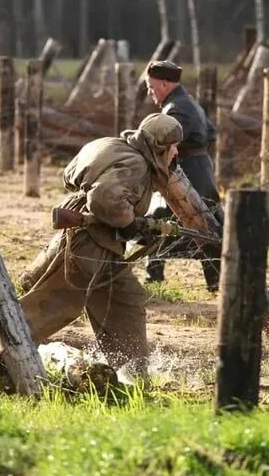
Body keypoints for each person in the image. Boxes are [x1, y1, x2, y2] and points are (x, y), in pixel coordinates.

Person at [16, 113, 184, 377]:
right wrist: (129, 225)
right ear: (159, 146)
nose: (176, 151)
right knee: (58, 302)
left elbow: (73, 176)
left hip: (100, 244)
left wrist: (139, 226)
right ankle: (6, 349)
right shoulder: (136, 164)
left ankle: (133, 373)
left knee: (126, 302)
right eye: (173, 145)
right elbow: (106, 199)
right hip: (90, 244)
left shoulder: (112, 146)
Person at [143, 59, 222, 292]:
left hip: (188, 175)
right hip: (199, 170)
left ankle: (153, 278)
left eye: (151, 86)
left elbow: (168, 140)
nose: (149, 92)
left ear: (165, 84)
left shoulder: (176, 109)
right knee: (206, 225)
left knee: (159, 221)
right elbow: (211, 133)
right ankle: (215, 281)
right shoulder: (189, 103)